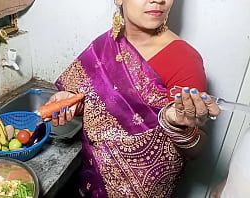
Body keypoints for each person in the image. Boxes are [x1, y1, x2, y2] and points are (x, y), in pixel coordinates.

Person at [47, 0, 221, 197]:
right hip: (91, 181)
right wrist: (71, 102)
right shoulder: (105, 44)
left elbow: (196, 150)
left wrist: (179, 128)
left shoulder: (184, 60)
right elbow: (101, 103)